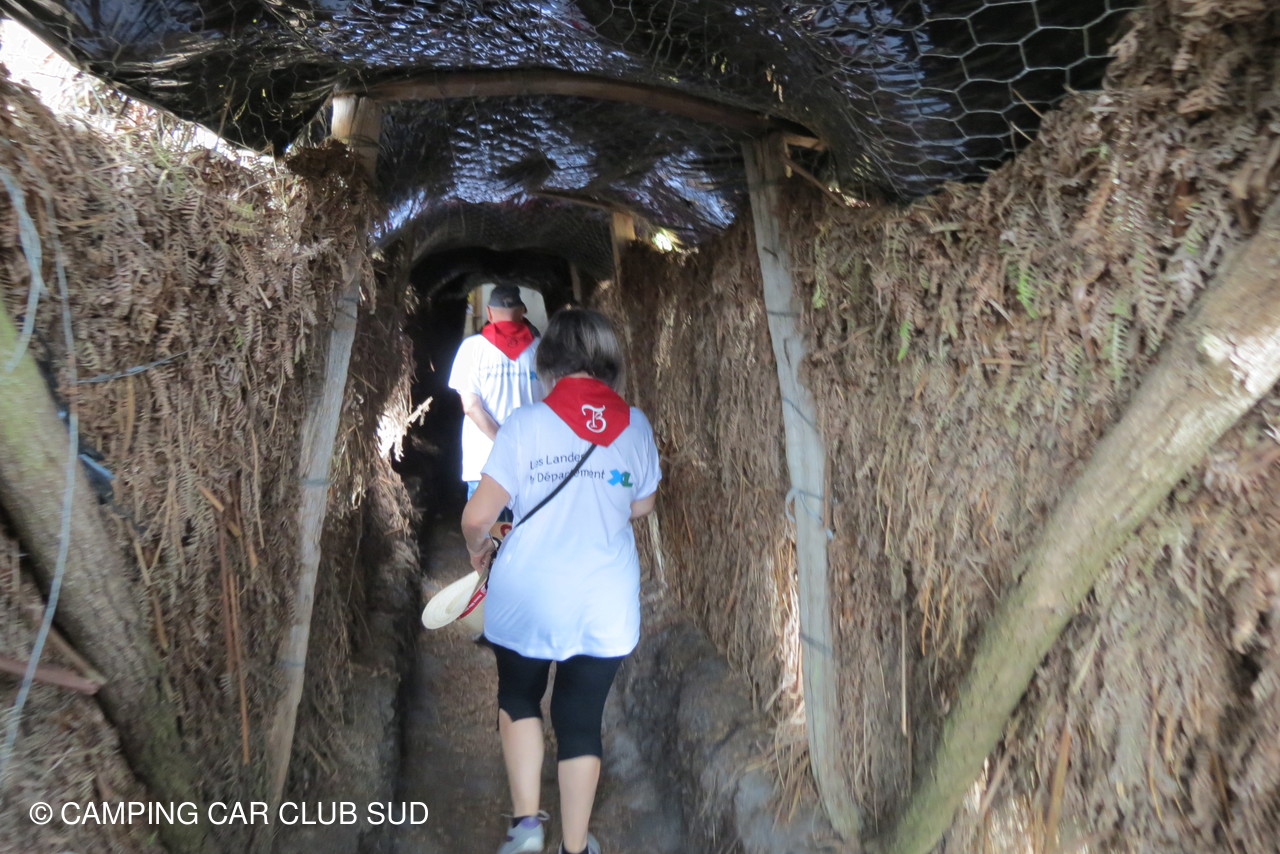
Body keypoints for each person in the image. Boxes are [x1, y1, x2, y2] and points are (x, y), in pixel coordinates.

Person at [461, 308, 661, 854]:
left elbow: (478, 517)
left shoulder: (525, 424)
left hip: (527, 593)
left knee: (519, 696)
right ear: (610, 363)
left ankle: (527, 829)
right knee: (581, 718)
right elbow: (642, 504)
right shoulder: (636, 425)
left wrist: (479, 550)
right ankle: (575, 846)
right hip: (603, 598)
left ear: (546, 362)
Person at [448, 284, 545, 500]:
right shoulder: (543, 351)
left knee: (488, 522)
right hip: (532, 462)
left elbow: (471, 407)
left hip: (485, 462)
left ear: (489, 312)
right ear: (523, 311)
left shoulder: (471, 348)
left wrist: (503, 442)